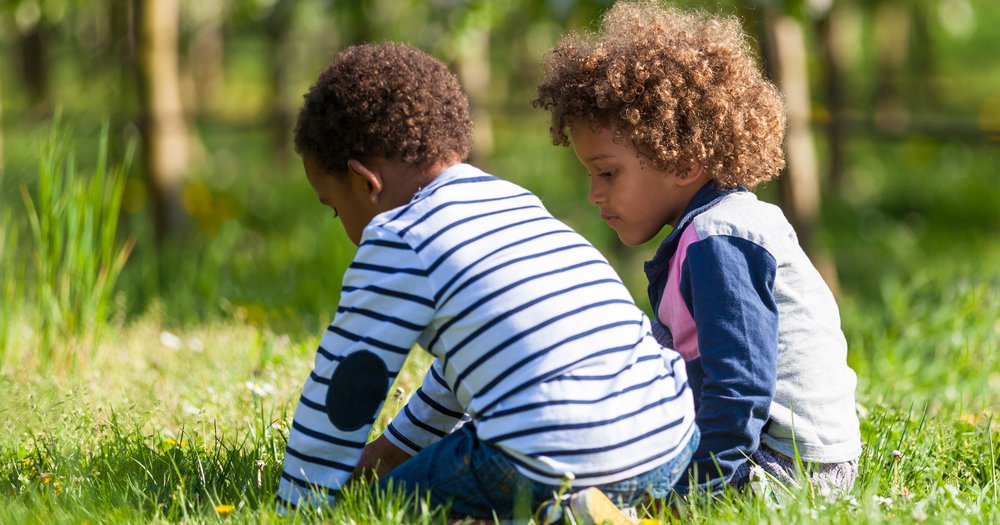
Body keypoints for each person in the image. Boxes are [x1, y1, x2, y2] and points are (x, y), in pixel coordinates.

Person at [277, 41, 698, 521]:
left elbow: (346, 387)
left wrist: (302, 501)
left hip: (550, 454)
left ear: (365, 182)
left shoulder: (397, 236)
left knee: (376, 509)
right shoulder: (511, 201)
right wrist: (389, 451)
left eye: (334, 208)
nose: (344, 225)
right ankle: (604, 507)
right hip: (667, 437)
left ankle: (557, 513)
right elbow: (470, 368)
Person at [534, 0, 862, 497]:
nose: (594, 194)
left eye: (607, 172)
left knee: (589, 484)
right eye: (590, 174)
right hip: (770, 452)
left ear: (684, 162)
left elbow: (741, 386)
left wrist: (699, 487)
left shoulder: (720, 239)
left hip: (783, 467)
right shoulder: (708, 231)